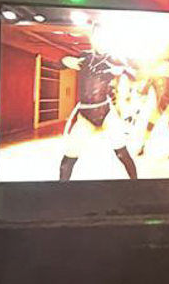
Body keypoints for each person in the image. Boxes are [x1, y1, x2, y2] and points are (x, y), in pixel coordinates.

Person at [58, 25, 139, 181]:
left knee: (122, 154)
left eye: (104, 37)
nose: (100, 40)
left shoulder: (114, 58)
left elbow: (136, 74)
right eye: (97, 36)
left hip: (106, 113)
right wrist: (64, 60)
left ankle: (136, 185)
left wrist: (123, 69)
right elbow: (59, 64)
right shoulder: (84, 56)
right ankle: (60, 190)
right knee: (67, 161)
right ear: (92, 38)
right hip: (85, 115)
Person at [136, 61, 169, 159]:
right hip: (159, 104)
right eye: (164, 67)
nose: (166, 69)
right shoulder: (153, 78)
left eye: (168, 68)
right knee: (150, 125)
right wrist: (140, 91)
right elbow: (144, 91)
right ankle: (142, 146)